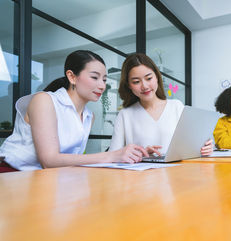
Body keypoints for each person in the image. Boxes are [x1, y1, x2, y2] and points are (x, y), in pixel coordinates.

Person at [0, 50, 148, 173]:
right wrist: (112, 156)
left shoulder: (89, 116)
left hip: (49, 177)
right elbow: (49, 161)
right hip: (11, 174)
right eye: (94, 77)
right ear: (72, 76)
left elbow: (70, 160)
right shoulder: (44, 100)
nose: (102, 86)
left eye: (104, 80)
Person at [109, 53, 213, 156]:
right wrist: (141, 154)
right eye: (136, 82)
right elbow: (113, 157)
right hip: (141, 172)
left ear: (157, 77)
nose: (144, 86)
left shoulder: (176, 107)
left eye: (149, 78)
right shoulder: (125, 115)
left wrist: (204, 148)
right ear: (129, 85)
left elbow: (193, 146)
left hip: (177, 172)